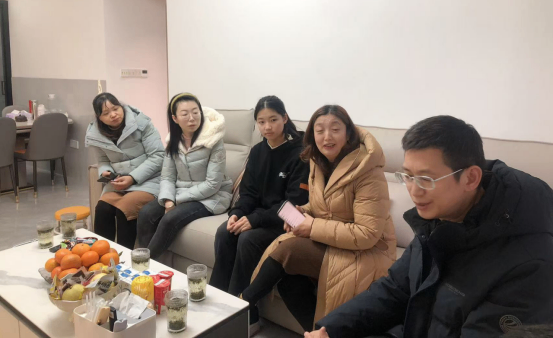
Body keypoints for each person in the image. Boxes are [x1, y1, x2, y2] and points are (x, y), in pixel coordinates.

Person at [306, 115, 553, 338]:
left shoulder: (530, 264)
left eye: (426, 179)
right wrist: (330, 330)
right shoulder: (439, 219)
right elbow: (395, 289)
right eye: (408, 176)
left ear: (471, 178)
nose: (414, 191)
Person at [242, 105, 396, 332]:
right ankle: (317, 333)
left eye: (335, 129)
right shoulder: (318, 162)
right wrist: (303, 211)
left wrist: (312, 226)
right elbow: (321, 207)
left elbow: (367, 234)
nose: (327, 137)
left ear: (348, 133)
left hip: (368, 251)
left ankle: (242, 305)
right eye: (320, 130)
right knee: (289, 280)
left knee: (289, 248)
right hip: (334, 241)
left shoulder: (368, 171)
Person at [209, 95, 310, 299]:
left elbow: (295, 203)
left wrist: (255, 219)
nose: (267, 127)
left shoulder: (301, 153)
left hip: (285, 222)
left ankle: (242, 308)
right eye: (261, 122)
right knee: (225, 232)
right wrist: (237, 213)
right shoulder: (257, 151)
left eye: (273, 120)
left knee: (248, 239)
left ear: (285, 118)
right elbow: (248, 193)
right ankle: (216, 298)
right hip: (260, 217)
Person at [137, 93, 232, 259]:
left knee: (169, 219)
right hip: (180, 193)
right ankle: (149, 262)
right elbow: (167, 177)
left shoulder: (214, 141)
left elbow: (212, 184)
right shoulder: (173, 141)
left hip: (211, 197)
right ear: (175, 118)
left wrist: (177, 200)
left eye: (195, 112)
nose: (192, 118)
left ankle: (144, 264)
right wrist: (168, 199)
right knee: (146, 213)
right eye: (185, 114)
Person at [85, 93, 164, 249]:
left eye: (115, 108)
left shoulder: (142, 123)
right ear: (99, 118)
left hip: (150, 180)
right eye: (106, 113)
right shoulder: (95, 134)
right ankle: (101, 255)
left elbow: (158, 156)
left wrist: (132, 178)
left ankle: (125, 258)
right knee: (102, 209)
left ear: (121, 106)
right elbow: (103, 160)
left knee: (125, 208)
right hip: (119, 182)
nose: (113, 115)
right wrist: (106, 172)